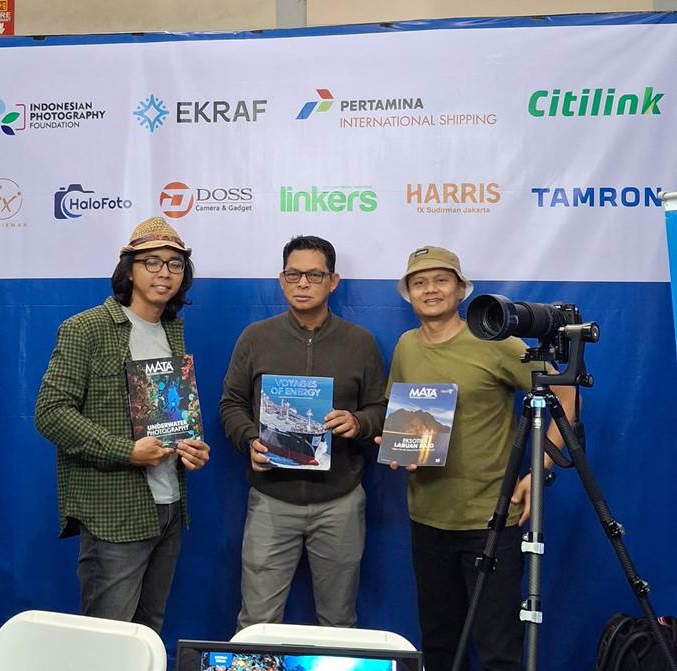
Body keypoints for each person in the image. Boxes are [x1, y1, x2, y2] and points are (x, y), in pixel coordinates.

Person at [385, 246, 576, 671]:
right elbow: (399, 414)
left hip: (490, 519)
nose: (430, 289)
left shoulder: (497, 342)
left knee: (498, 650)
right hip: (427, 519)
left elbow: (566, 395)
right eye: (419, 282)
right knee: (439, 646)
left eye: (441, 280)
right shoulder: (406, 346)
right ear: (408, 293)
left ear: (461, 290)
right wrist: (396, 445)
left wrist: (539, 471)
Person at [34, 216, 210, 633]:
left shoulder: (173, 330)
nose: (164, 272)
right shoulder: (86, 328)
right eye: (152, 262)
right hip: (115, 512)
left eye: (175, 264)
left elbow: (169, 414)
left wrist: (193, 448)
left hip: (169, 506)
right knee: (108, 639)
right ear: (129, 269)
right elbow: (51, 412)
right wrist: (127, 451)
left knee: (147, 633)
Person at [219, 235, 387, 629]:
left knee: (338, 622)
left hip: (340, 502)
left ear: (333, 281)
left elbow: (381, 409)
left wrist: (358, 423)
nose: (303, 283)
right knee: (257, 622)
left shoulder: (360, 342)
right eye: (293, 275)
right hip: (271, 499)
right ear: (281, 280)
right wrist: (249, 440)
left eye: (314, 275)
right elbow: (231, 404)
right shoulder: (255, 337)